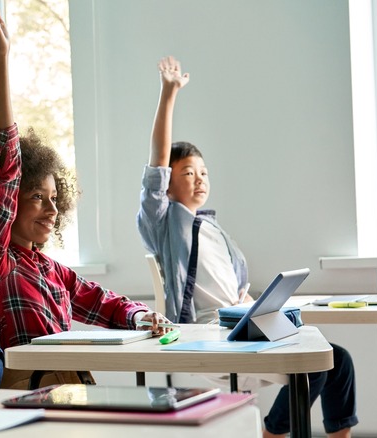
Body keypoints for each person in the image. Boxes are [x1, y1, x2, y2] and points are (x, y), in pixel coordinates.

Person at [0, 0, 171, 390]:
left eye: (55, 198)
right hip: (33, 400)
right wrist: (0, 58)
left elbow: (102, 302)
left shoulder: (49, 269)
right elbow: (4, 169)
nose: (53, 208)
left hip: (70, 391)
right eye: (38, 197)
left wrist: (139, 316)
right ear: (10, 205)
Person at [137, 55, 358, 437]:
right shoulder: (165, 222)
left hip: (239, 326)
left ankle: (279, 430)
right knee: (318, 362)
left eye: (204, 172)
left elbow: (237, 288)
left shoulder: (216, 231)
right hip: (206, 334)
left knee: (337, 360)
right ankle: (273, 432)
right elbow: (155, 166)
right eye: (187, 172)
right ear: (168, 186)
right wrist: (168, 95)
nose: (199, 178)